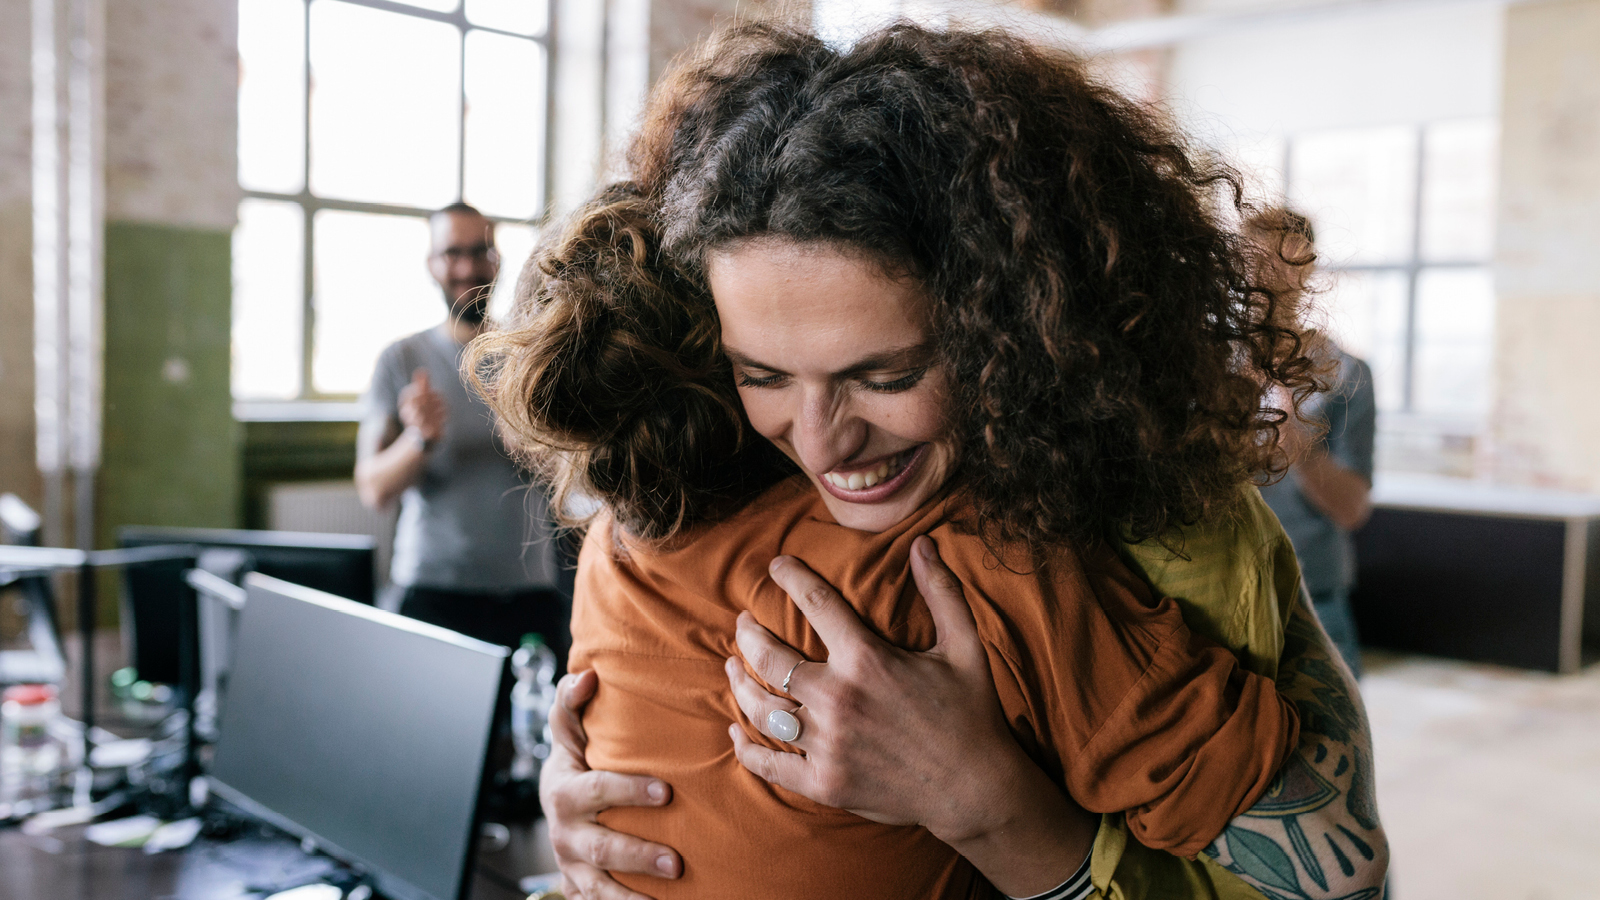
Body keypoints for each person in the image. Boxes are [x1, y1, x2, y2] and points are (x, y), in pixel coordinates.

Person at [484, 22, 1388, 900]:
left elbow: (1342, 877)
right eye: (762, 374)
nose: (821, 441)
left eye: (886, 376)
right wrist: (586, 791)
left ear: (1017, 332)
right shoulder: (662, 514)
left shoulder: (1109, 541)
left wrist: (989, 806)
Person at [355, 201, 567, 659]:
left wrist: (533, 441)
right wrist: (419, 439)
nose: (468, 268)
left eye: (479, 252)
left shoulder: (529, 354)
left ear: (497, 260)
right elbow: (373, 489)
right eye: (453, 253)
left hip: (527, 593)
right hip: (432, 591)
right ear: (432, 263)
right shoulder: (401, 360)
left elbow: (577, 479)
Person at [1248, 210, 1377, 679]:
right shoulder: (1205, 366)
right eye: (1253, 263)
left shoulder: (1346, 372)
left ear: (1308, 268)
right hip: (1223, 587)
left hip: (1314, 594)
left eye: (1282, 263)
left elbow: (1352, 509)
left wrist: (1298, 440)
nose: (1265, 279)